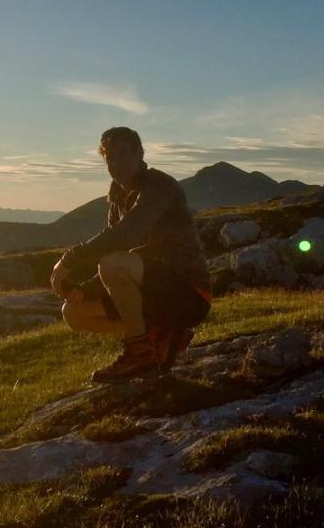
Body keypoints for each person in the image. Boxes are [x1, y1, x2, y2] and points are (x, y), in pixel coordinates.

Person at [50, 126, 213, 382]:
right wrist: (86, 289)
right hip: (148, 287)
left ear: (140, 153)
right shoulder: (117, 195)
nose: (117, 163)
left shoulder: (159, 186)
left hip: (188, 292)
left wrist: (70, 258)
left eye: (124, 154)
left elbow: (127, 235)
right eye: (110, 158)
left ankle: (141, 353)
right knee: (73, 311)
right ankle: (160, 336)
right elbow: (119, 252)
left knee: (112, 264)